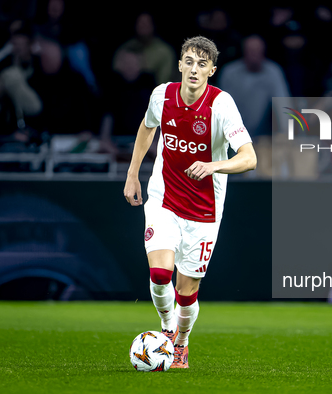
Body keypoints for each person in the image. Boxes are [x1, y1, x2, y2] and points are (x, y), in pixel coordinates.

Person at [123, 36, 256, 369]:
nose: (194, 69)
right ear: (180, 65)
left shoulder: (221, 105)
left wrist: (214, 165)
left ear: (212, 70)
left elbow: (249, 158)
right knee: (158, 273)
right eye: (189, 61)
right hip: (164, 198)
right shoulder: (162, 95)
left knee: (186, 291)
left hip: (204, 210)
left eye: (202, 63)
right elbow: (146, 127)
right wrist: (132, 173)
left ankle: (181, 341)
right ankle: (169, 332)